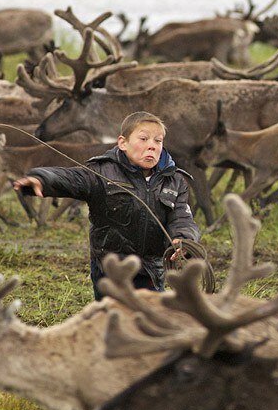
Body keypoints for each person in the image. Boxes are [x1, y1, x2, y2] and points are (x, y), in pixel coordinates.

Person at [13, 111, 200, 300]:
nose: (151, 146)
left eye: (157, 141)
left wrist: (182, 239)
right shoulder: (102, 172)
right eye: (143, 139)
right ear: (123, 143)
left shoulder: (175, 181)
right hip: (109, 269)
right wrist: (42, 179)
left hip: (151, 270)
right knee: (113, 320)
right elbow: (71, 178)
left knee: (147, 322)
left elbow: (182, 218)